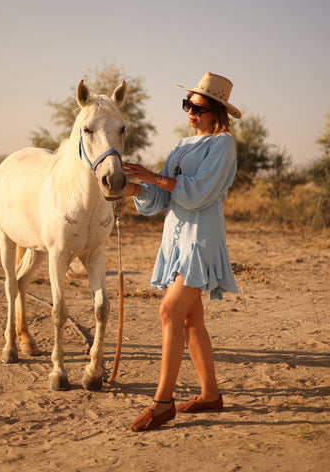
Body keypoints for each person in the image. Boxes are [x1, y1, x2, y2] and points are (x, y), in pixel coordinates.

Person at [122, 71, 242, 432]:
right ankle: (211, 395)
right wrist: (130, 186)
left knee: (169, 311)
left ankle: (163, 402)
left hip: (201, 240)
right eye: (187, 104)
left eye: (198, 106)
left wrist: (151, 175)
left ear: (216, 112)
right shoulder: (182, 145)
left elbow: (199, 192)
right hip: (176, 238)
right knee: (191, 320)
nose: (190, 111)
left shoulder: (222, 145)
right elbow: (162, 196)